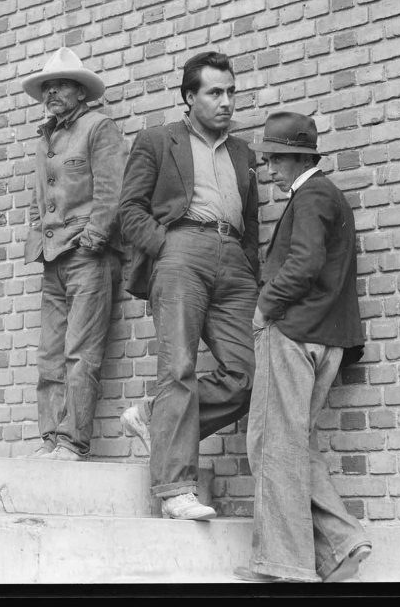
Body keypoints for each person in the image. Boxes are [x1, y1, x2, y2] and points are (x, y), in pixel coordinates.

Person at [118, 51, 259, 520]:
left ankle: (153, 418)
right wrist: (165, 247)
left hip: (234, 258)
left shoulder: (242, 153)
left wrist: (249, 269)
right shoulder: (158, 141)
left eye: (231, 92)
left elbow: (253, 222)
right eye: (215, 92)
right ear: (189, 97)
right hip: (181, 252)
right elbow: (130, 210)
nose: (226, 102)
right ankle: (176, 489)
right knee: (176, 368)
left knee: (250, 374)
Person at [233, 112, 371, 583]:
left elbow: (305, 261)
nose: (269, 168)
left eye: (273, 158)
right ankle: (341, 546)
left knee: (271, 445)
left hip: (294, 333)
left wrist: (264, 307)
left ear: (296, 158)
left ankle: (283, 566)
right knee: (294, 444)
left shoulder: (311, 195)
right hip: (326, 335)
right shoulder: (326, 195)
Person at [20, 48, 126, 461]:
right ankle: (50, 439)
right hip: (52, 259)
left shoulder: (99, 128)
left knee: (81, 352)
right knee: (50, 354)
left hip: (87, 257)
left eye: (61, 85)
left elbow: (111, 191)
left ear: (81, 91)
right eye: (47, 86)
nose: (51, 93)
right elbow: (37, 200)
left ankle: (72, 442)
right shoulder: (45, 138)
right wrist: (37, 238)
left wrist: (94, 238)